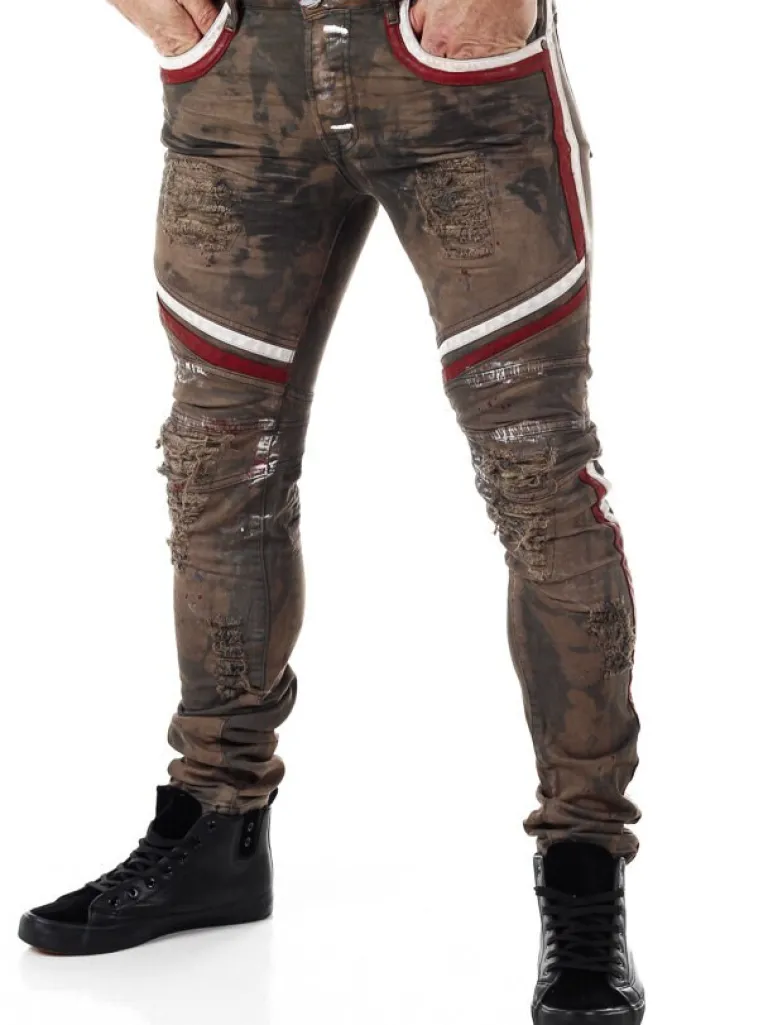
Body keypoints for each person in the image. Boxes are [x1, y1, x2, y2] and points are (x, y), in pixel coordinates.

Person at [19, 1, 643, 1021]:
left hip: (450, 68)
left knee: (538, 472)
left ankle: (585, 861)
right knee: (215, 464)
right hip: (237, 62)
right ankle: (216, 822)